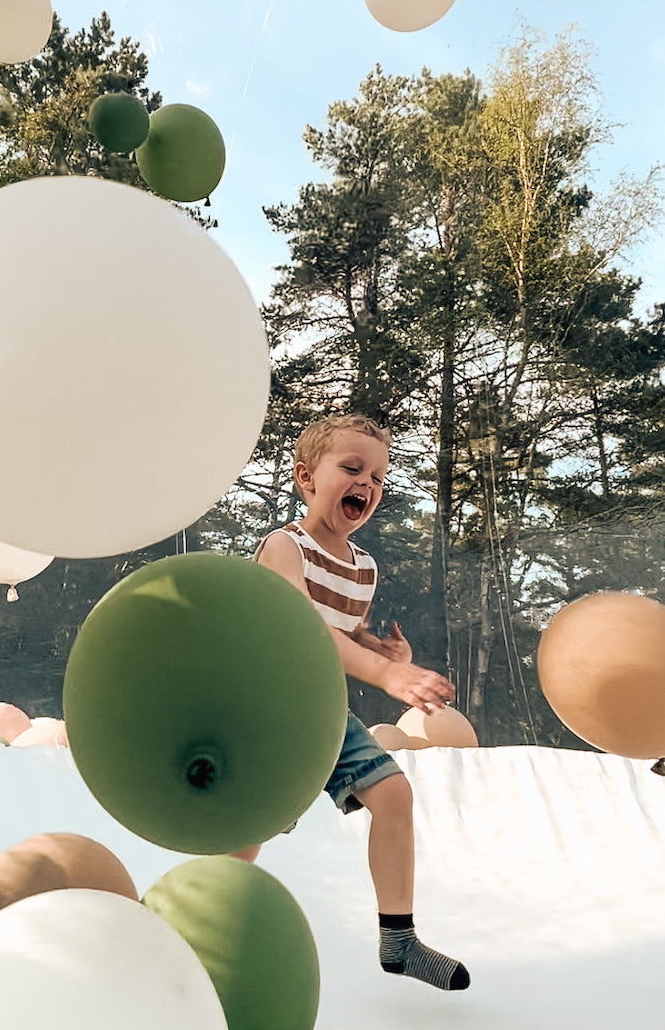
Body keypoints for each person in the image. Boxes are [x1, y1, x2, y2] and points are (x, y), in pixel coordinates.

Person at [244, 412, 470, 992]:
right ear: (306, 477)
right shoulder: (283, 547)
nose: (367, 484)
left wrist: (386, 652)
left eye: (378, 476)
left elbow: (343, 630)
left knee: (393, 795)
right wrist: (387, 678)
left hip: (322, 711)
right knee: (249, 829)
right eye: (351, 468)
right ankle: (208, 921)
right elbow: (305, 628)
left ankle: (399, 940)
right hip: (267, 710)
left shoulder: (363, 567)